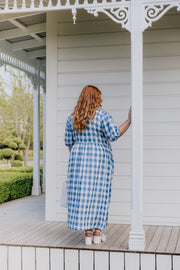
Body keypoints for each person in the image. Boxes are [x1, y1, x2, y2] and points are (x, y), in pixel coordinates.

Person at [64, 85, 131, 245]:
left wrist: (79, 158)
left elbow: (69, 143)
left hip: (78, 160)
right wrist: (129, 121)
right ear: (96, 98)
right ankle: (97, 232)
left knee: (84, 195)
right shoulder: (102, 116)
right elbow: (114, 134)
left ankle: (88, 233)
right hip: (99, 159)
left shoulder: (73, 118)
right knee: (99, 194)